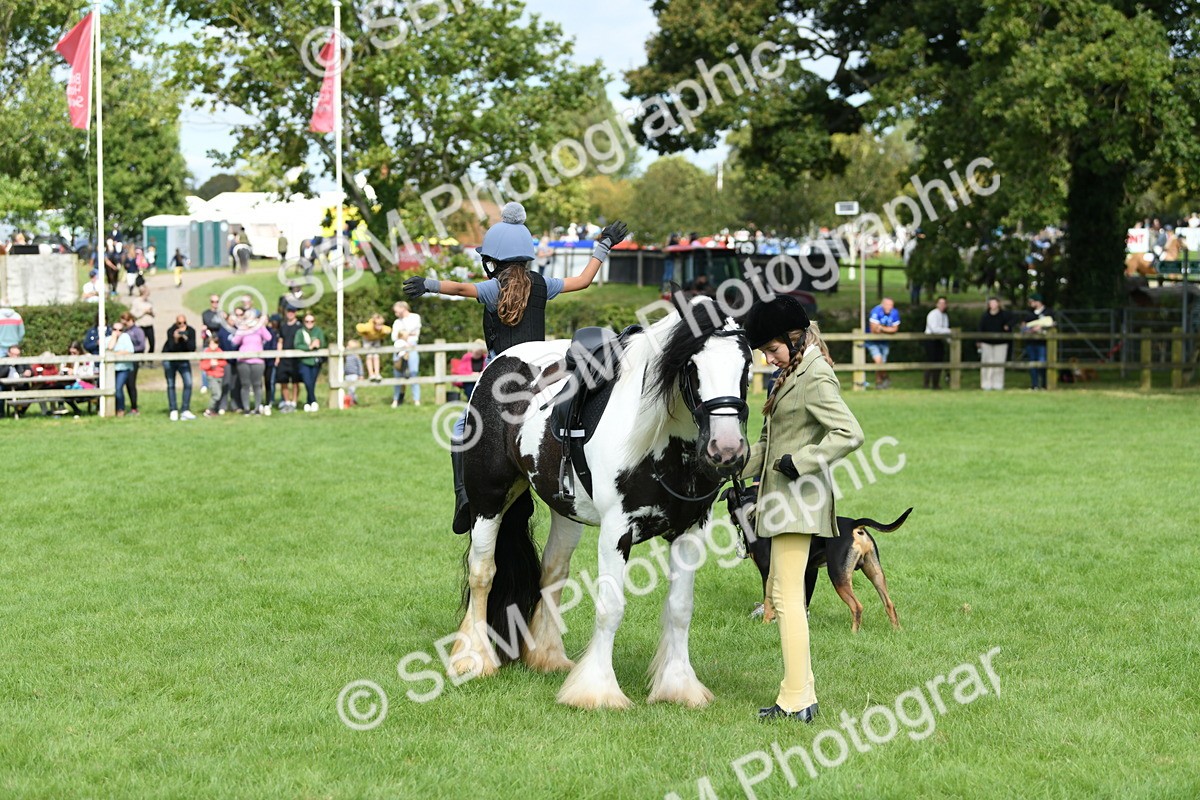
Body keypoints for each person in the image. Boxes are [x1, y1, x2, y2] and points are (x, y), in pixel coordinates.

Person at [403, 201, 627, 534]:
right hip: (542, 372)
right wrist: (603, 245)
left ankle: (465, 498)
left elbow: (462, 289)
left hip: (502, 375)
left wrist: (429, 284)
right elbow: (582, 281)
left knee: (461, 430)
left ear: (492, 261)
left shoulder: (493, 289)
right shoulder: (542, 285)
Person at [739, 295, 863, 722]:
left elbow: (849, 433)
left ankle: (797, 701)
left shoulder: (815, 375)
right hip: (780, 501)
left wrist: (802, 461)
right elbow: (769, 447)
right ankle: (800, 694)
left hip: (800, 501)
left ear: (794, 338)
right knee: (781, 594)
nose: (769, 359)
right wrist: (732, 463)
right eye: (764, 353)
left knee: (787, 598)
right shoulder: (791, 373)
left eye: (772, 350)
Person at [231, 311, 274, 415]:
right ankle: (246, 408)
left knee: (257, 384)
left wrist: (260, 326)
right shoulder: (243, 328)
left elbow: (269, 337)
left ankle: (257, 408)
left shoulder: (259, 328)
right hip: (243, 361)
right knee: (245, 384)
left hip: (258, 361)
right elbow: (234, 342)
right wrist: (242, 330)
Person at [162, 314, 197, 420]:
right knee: (171, 384)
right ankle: (173, 409)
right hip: (170, 359)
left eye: (184, 323)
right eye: (179, 323)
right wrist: (176, 339)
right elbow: (171, 347)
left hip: (183, 360)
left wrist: (185, 338)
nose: (182, 326)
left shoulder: (191, 331)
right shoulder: (171, 331)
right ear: (176, 323)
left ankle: (185, 409)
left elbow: (192, 348)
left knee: (188, 383)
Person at [391, 301, 421, 407]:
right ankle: (396, 399)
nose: (395, 314)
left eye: (396, 311)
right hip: (399, 347)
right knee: (398, 374)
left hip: (412, 346)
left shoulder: (415, 317)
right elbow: (394, 337)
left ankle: (416, 400)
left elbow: (414, 330)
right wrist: (407, 334)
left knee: (413, 372)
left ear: (403, 308)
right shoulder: (397, 322)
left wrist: (404, 333)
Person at [1021, 293, 1054, 390]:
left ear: (1038, 302)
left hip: (1042, 343)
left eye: (1031, 301)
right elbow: (1023, 326)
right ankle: (1034, 385)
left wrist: (1041, 327)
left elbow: (1053, 324)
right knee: (1032, 363)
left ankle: (1044, 384)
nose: (1030, 303)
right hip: (1031, 342)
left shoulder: (1048, 312)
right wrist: (1028, 330)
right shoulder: (1028, 313)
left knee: (1042, 363)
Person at [866, 297, 900, 389]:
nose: (890, 307)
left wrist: (881, 328)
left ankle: (880, 383)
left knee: (882, 363)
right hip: (872, 341)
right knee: (878, 361)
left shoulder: (895, 312)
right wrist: (888, 329)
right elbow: (874, 330)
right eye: (888, 305)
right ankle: (884, 379)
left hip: (884, 341)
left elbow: (895, 329)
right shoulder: (876, 311)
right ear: (883, 304)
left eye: (891, 305)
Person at [978, 298, 1012, 391]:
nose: (993, 305)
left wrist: (1007, 326)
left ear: (998, 304)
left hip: (1001, 343)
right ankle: (986, 384)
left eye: (994, 303)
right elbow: (981, 328)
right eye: (991, 303)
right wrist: (979, 341)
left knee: (999, 364)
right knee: (986, 363)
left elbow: (1013, 320)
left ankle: (998, 384)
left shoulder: (1004, 315)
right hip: (987, 343)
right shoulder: (985, 316)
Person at [275, 306, 303, 412]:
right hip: (284, 357)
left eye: (292, 312)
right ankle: (286, 402)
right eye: (289, 312)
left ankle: (294, 402)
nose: (290, 314)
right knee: (283, 381)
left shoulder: (299, 326)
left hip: (295, 357)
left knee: (295, 381)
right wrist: (278, 356)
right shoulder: (283, 326)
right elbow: (280, 341)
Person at [296, 313, 325, 412]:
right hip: (304, 361)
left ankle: (308, 403)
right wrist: (309, 347)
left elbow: (322, 343)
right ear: (304, 322)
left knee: (312, 383)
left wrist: (318, 344)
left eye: (312, 321)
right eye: (307, 321)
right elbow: (297, 345)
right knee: (307, 382)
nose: (309, 323)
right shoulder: (300, 332)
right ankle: (313, 401)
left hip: (315, 361)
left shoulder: (318, 331)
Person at [118, 311, 145, 414]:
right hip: (122, 361)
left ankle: (134, 407)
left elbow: (142, 346)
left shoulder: (138, 331)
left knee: (131, 383)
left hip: (133, 360)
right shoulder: (124, 331)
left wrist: (129, 350)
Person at [108, 321, 137, 417]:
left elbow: (130, 351)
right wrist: (114, 338)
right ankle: (112, 408)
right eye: (115, 329)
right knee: (111, 389)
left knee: (118, 388)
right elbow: (109, 349)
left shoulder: (126, 337)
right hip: (111, 369)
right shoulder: (108, 338)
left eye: (120, 330)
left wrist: (116, 353)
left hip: (124, 368)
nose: (117, 332)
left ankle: (121, 409)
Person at [923, 296, 951, 390]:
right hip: (931, 339)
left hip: (940, 340)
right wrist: (948, 331)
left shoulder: (945, 316)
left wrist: (949, 340)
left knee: (939, 361)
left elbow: (944, 330)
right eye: (940, 303)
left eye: (944, 303)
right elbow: (935, 329)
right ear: (937, 304)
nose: (942, 305)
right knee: (930, 361)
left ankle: (936, 383)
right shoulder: (933, 314)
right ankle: (926, 383)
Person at [355, 313, 391, 381]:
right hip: (367, 340)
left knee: (376, 356)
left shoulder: (383, 329)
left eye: (381, 325)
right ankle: (371, 374)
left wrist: (384, 333)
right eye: (378, 325)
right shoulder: (368, 327)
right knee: (369, 356)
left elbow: (388, 329)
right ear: (374, 323)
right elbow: (358, 327)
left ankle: (377, 374)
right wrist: (363, 333)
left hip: (376, 340)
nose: (379, 327)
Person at [201, 336, 227, 417]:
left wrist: (217, 363)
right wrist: (210, 364)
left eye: (215, 343)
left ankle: (214, 410)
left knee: (217, 393)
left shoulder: (220, 352)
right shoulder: (207, 353)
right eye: (211, 343)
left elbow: (224, 363)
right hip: (211, 376)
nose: (213, 345)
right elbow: (202, 366)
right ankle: (209, 410)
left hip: (220, 376)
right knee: (217, 394)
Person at [130, 285, 156, 355]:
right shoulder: (136, 301)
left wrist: (151, 312)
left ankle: (150, 359)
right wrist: (144, 312)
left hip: (149, 325)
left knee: (152, 343)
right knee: (142, 344)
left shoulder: (149, 302)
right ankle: (141, 359)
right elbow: (133, 314)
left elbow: (154, 314)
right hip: (141, 325)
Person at [343, 339, 364, 406]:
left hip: (354, 375)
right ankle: (353, 400)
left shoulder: (356, 356)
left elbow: (360, 366)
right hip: (347, 375)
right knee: (349, 389)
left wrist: (361, 375)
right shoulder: (347, 355)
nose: (347, 347)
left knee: (352, 389)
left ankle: (351, 401)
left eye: (348, 346)